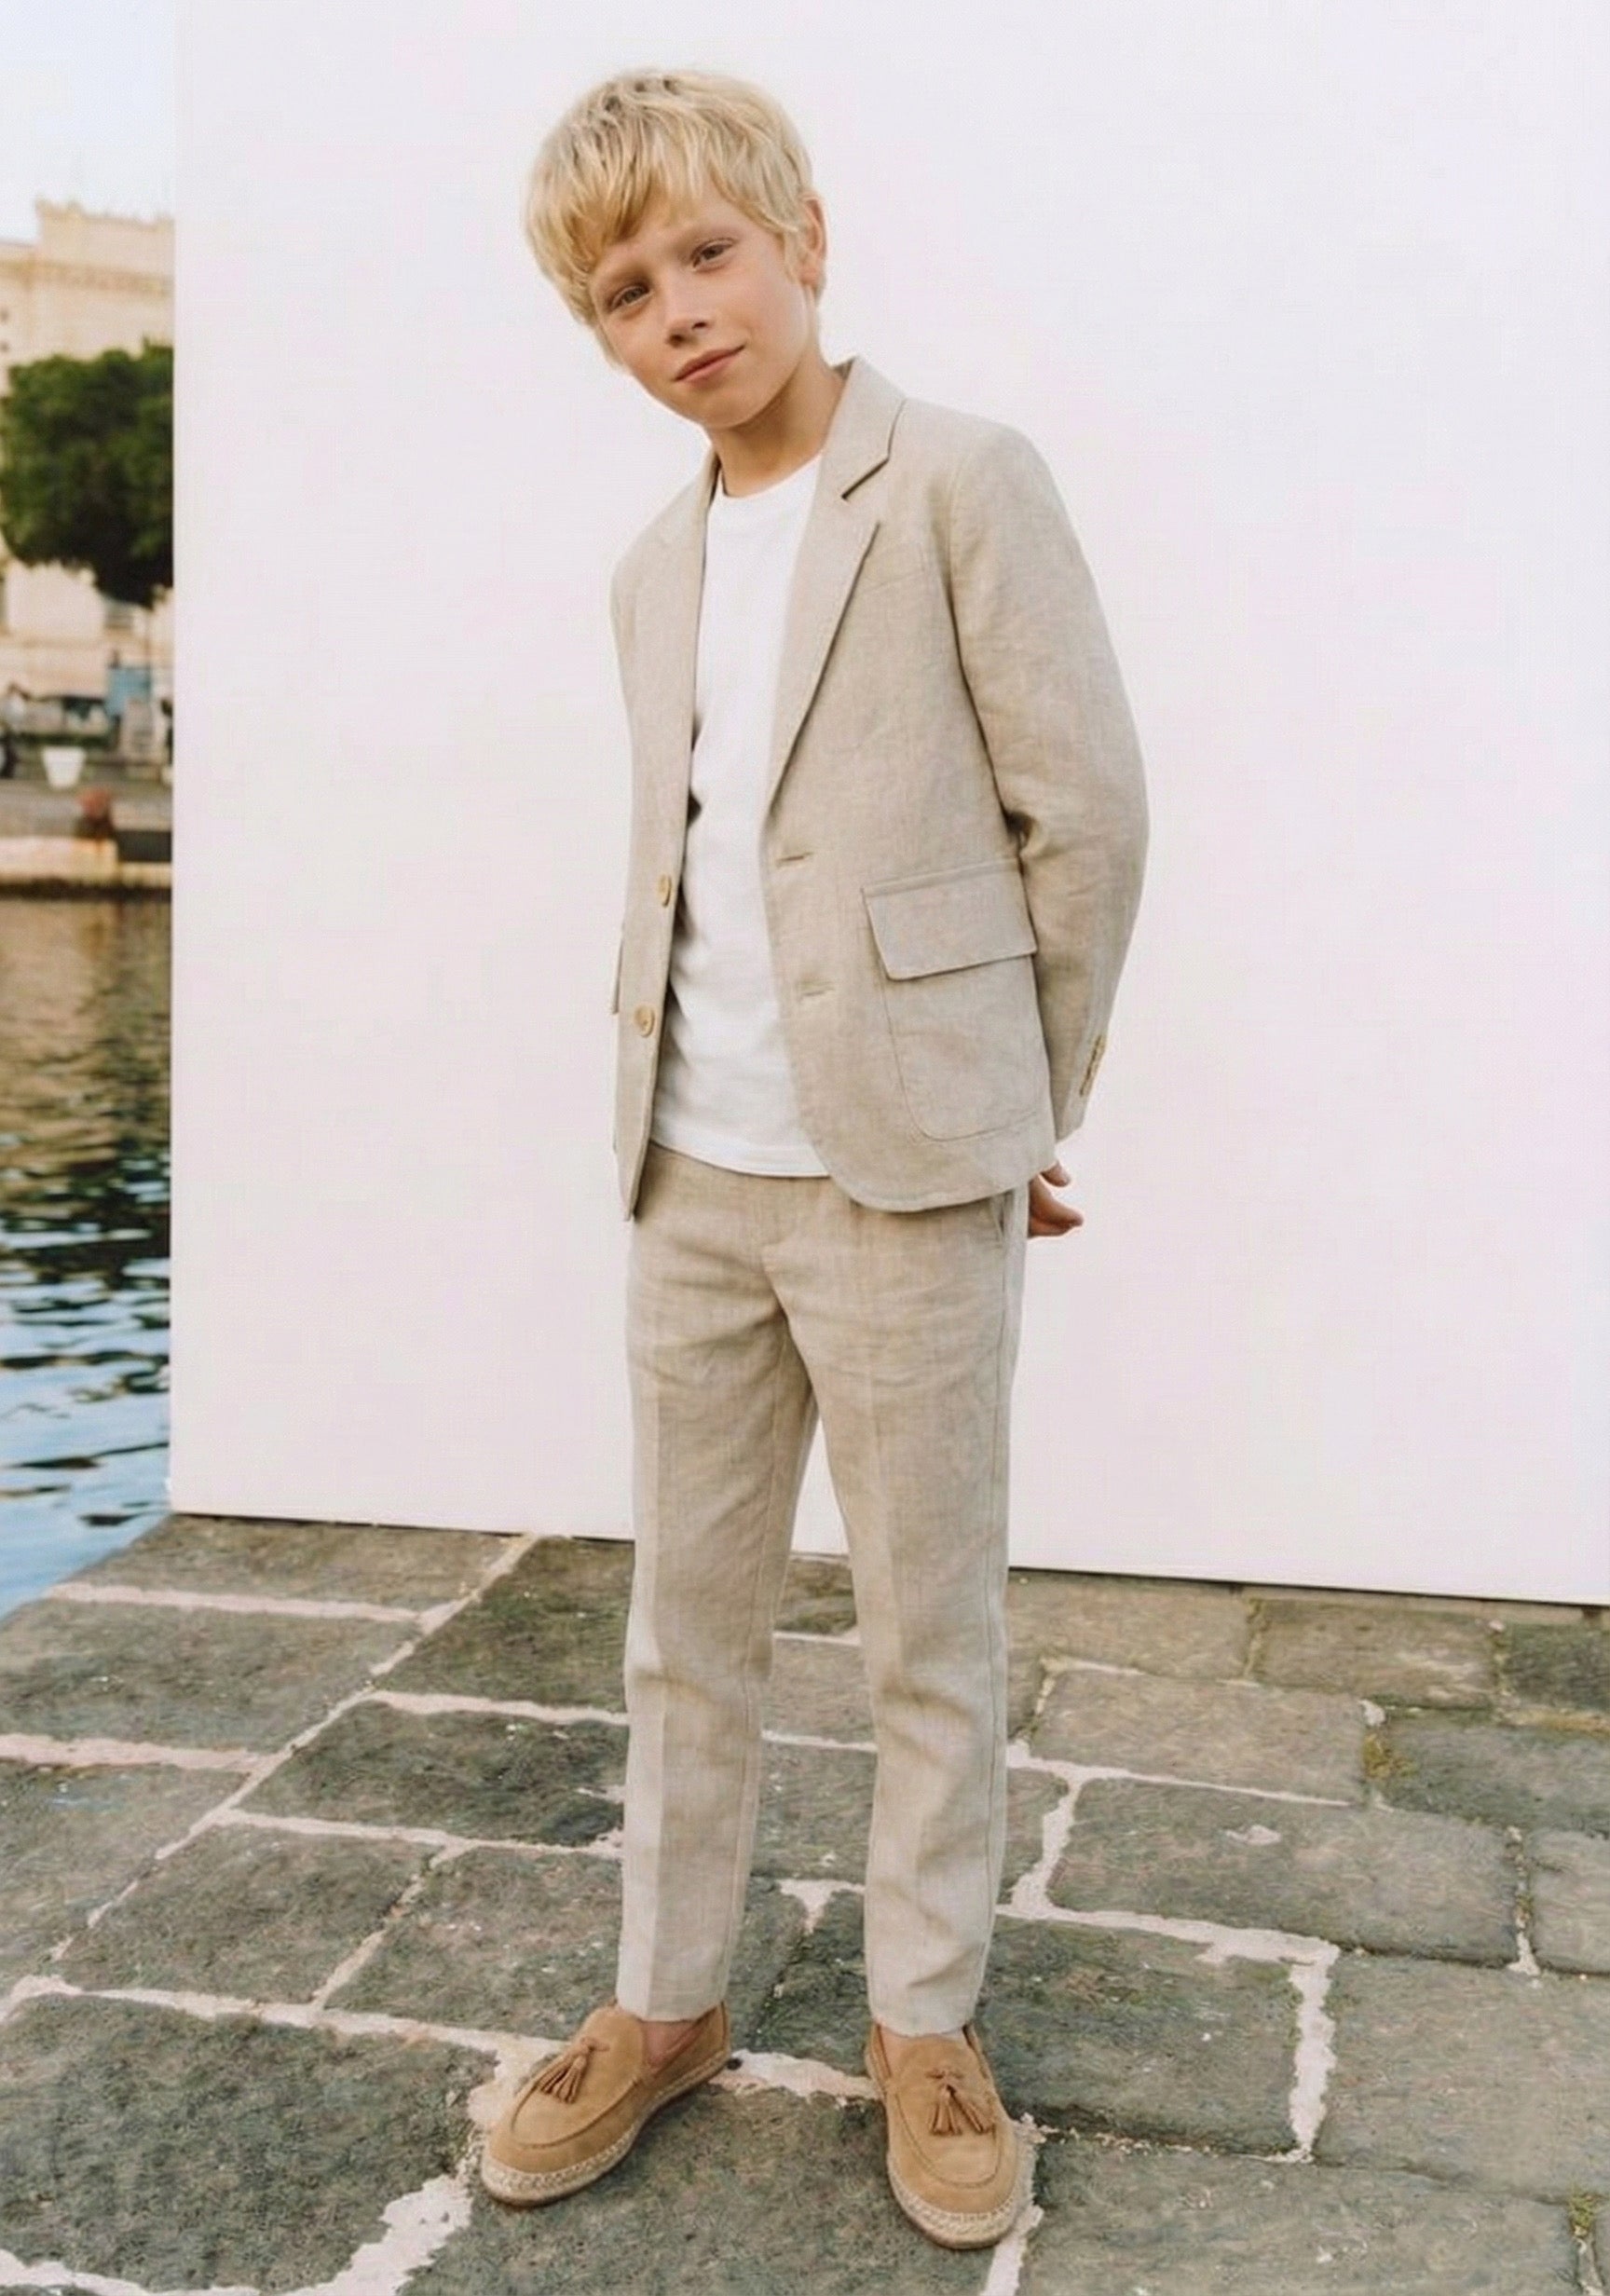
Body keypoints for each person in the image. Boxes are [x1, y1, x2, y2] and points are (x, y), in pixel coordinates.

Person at [484, 67, 1148, 2250]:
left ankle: (924, 2019)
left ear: (805, 241)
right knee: (683, 1623)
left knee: (925, 1623)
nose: (678, 309)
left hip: (902, 1172)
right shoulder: (649, 567)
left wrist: (1018, 1106)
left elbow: (1085, 815)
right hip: (687, 1170)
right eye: (625, 291)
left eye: (708, 253)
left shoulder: (958, 480)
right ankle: (665, 1996)